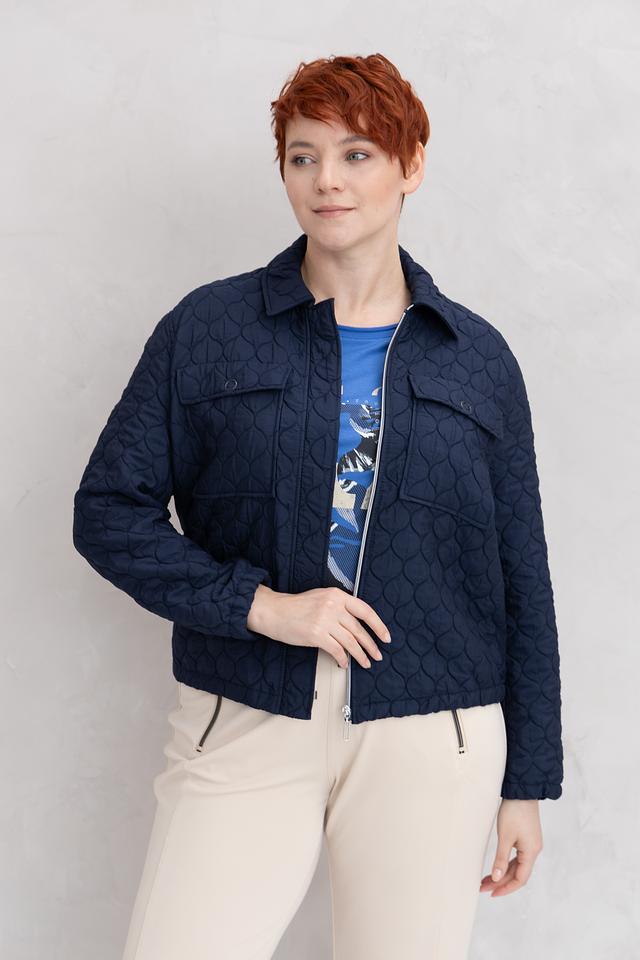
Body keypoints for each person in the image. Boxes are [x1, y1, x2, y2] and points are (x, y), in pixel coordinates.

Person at [73, 52, 564, 960]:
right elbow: (108, 510)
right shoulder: (207, 329)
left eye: (356, 154)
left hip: (434, 732)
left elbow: (522, 578)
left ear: (411, 165)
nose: (327, 180)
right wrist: (262, 606)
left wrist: (526, 783)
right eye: (303, 157)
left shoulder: (478, 360)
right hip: (247, 704)